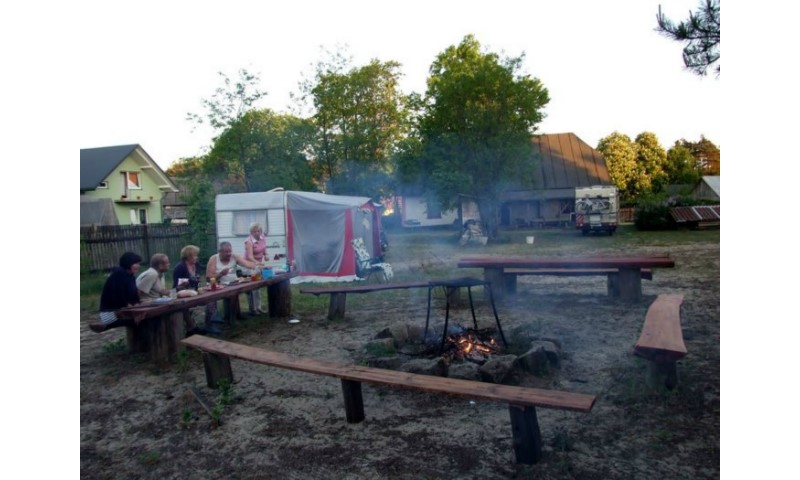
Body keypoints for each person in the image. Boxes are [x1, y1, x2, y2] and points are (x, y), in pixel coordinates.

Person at [89, 252, 142, 333]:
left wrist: (137, 303)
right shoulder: (118, 274)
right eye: (136, 263)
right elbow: (117, 295)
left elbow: (133, 294)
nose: (138, 266)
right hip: (111, 312)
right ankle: (105, 323)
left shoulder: (131, 276)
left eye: (138, 263)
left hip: (124, 309)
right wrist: (128, 305)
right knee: (140, 320)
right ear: (128, 263)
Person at [207, 241, 258, 321]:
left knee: (251, 288)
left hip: (234, 283)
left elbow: (246, 264)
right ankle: (230, 317)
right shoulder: (214, 259)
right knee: (231, 292)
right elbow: (208, 277)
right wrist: (220, 274)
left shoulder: (234, 257)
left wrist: (257, 265)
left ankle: (251, 311)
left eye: (230, 251)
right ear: (220, 252)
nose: (229, 254)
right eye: (226, 252)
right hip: (219, 285)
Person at [172, 245, 215, 335]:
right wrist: (183, 285)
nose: (197, 257)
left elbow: (198, 279)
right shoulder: (180, 267)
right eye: (195, 255)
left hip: (195, 290)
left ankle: (209, 324)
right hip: (182, 293)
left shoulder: (196, 265)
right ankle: (192, 328)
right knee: (186, 306)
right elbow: (175, 286)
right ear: (188, 256)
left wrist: (202, 286)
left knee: (211, 298)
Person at [244, 223, 268, 315]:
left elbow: (264, 248)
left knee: (257, 286)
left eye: (258, 231)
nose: (257, 233)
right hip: (248, 265)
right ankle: (253, 309)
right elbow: (250, 257)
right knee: (253, 287)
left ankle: (258, 307)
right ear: (251, 232)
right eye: (254, 231)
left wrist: (266, 255)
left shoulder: (262, 237)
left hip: (258, 265)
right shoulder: (248, 241)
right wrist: (259, 263)